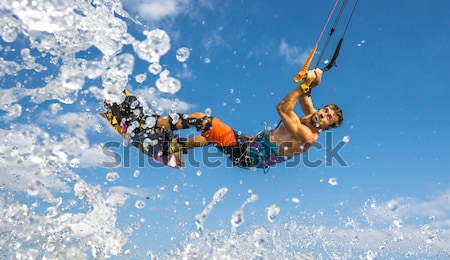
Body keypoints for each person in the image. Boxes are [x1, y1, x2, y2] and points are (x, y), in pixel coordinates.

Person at [114, 68, 343, 170]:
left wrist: (304, 85)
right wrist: (312, 81)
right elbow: (306, 101)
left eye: (327, 117)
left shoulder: (308, 136)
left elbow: (283, 108)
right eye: (324, 110)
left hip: (249, 155)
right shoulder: (312, 117)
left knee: (205, 122)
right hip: (250, 145)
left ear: (328, 127)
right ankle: (176, 147)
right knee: (212, 136)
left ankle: (148, 123)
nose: (322, 114)